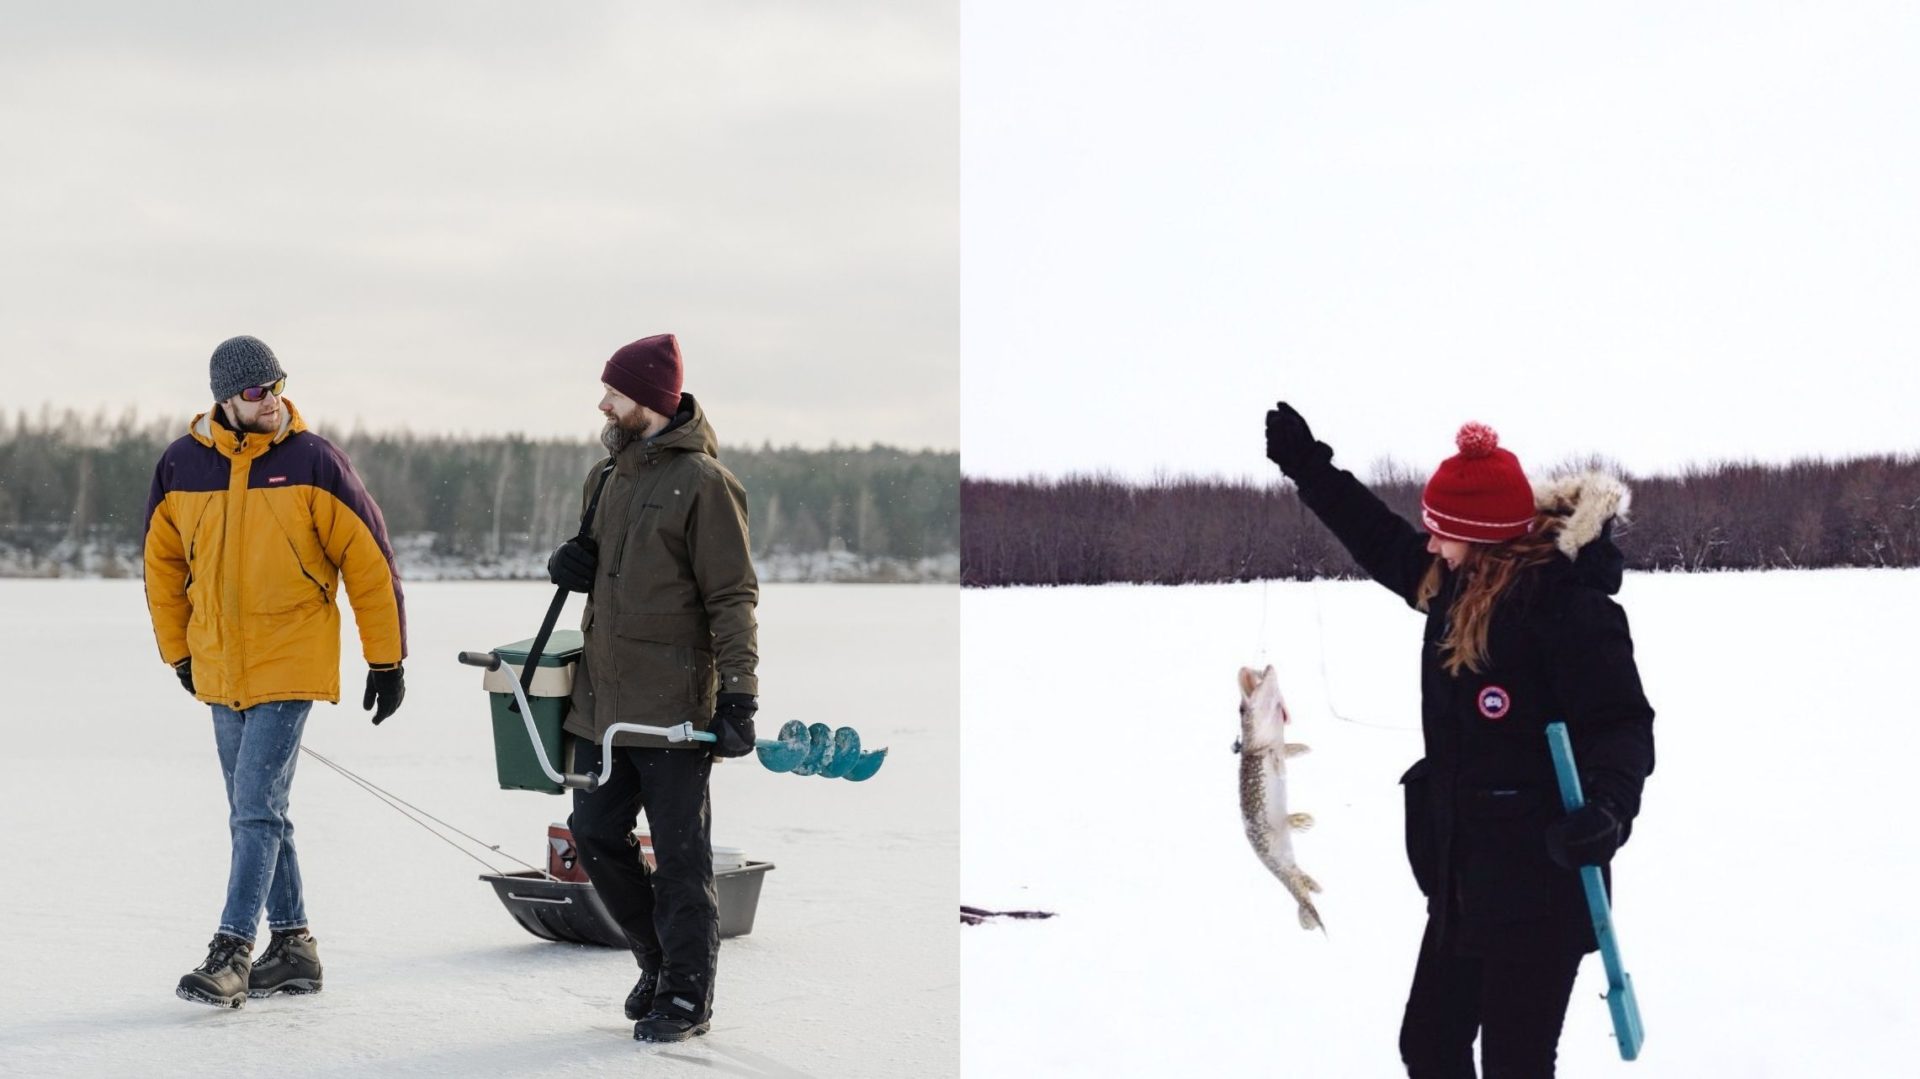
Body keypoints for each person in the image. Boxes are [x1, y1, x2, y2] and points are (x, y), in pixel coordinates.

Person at [1265, 403, 1655, 1079]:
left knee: (1515, 1063)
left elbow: (1621, 724)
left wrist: (1609, 809)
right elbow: (1378, 537)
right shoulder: (1455, 584)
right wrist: (1309, 466)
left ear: (1482, 535)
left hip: (1542, 885)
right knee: (1430, 1045)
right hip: (1464, 881)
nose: (1431, 544)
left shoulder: (1570, 611)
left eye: (1442, 532)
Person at [143, 335, 408, 1008]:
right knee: (256, 809)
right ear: (226, 399)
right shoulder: (181, 465)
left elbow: (369, 562)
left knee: (256, 809)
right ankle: (294, 947)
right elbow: (162, 565)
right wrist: (179, 650)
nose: (272, 400)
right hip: (220, 664)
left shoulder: (314, 461)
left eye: (277, 385)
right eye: (257, 391)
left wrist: (387, 657)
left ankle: (232, 951)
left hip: (291, 659)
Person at [546, 333, 760, 1043]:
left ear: (649, 401)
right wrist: (569, 561)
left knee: (681, 857)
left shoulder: (704, 484)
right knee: (594, 833)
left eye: (614, 392)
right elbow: (601, 572)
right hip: (601, 706)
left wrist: (738, 696)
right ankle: (656, 961)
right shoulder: (604, 478)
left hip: (673, 708)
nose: (602, 402)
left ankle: (687, 994)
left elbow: (733, 597)